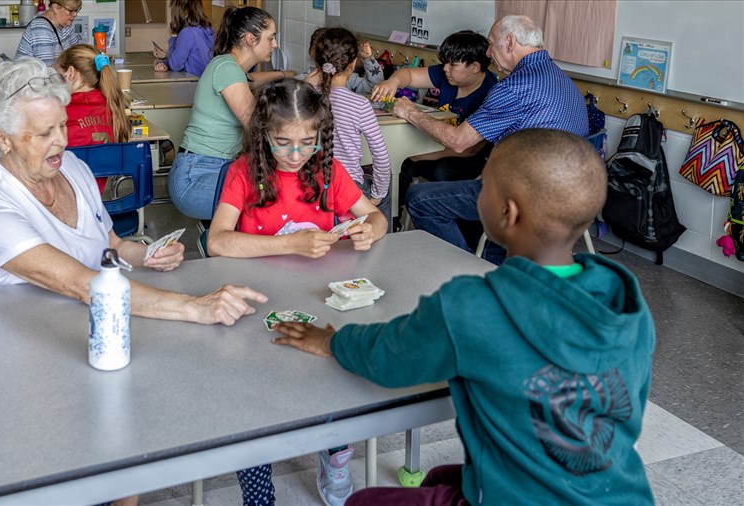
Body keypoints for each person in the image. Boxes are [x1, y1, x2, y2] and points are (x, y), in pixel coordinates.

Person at [273, 128, 656, 506]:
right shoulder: (623, 303)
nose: (477, 191)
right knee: (443, 478)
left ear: (507, 212)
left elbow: (388, 357)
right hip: (624, 495)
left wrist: (329, 340)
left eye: (482, 184)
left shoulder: (474, 306)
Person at [0, 58, 267, 331]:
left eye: (63, 126)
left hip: (79, 324)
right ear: (3, 139)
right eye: (44, 133)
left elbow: (112, 246)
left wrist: (147, 255)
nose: (61, 142)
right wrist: (193, 306)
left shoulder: (71, 167)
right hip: (11, 345)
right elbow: (79, 284)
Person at [207, 78, 386, 506]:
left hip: (320, 300)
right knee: (253, 400)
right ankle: (258, 488)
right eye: (283, 142)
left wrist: (368, 231)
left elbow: (375, 218)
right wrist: (290, 243)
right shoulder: (244, 172)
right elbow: (217, 241)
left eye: (307, 142)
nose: (295, 154)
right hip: (259, 303)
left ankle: (336, 450)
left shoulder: (329, 170)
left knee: (339, 377)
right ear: (264, 134)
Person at [381, 16, 587, 263]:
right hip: (573, 192)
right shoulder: (557, 76)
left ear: (509, 42)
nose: (488, 52)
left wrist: (410, 112)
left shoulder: (514, 86)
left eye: (491, 44)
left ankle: (471, 268)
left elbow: (459, 142)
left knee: (419, 199)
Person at [168, 6, 294, 221]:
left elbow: (252, 81)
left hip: (209, 169)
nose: (275, 44)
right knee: (276, 199)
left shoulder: (231, 67)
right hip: (196, 176)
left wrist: (286, 75)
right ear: (250, 39)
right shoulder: (227, 69)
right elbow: (256, 126)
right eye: (271, 38)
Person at [371, 30, 497, 226]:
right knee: (397, 165)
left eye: (453, 64)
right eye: (445, 63)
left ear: (475, 67)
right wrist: (392, 82)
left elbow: (468, 149)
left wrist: (418, 154)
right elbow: (409, 75)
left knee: (440, 171)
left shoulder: (490, 94)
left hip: (466, 157)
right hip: (435, 147)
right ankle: (391, 221)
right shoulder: (449, 75)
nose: (445, 68)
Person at [313, 27, 393, 232]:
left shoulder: (306, 97)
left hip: (311, 182)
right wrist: (376, 195)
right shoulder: (359, 105)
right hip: (348, 187)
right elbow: (382, 158)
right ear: (353, 64)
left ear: (317, 62)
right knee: (384, 190)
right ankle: (388, 248)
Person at [55, 43, 131, 147]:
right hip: (108, 162)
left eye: (60, 77)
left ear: (70, 73)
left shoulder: (61, 110)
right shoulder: (112, 103)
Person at [302, 29, 384, 95]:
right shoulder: (304, 80)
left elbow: (376, 87)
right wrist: (368, 59)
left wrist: (368, 59)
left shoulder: (351, 80)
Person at [153, 0, 215, 77]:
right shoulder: (208, 29)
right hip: (206, 83)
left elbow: (175, 65)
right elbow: (182, 58)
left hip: (194, 85)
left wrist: (173, 37)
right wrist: (164, 63)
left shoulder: (187, 33)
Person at [15, 0, 83, 66]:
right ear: (55, 8)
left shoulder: (65, 25)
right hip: (28, 76)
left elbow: (78, 52)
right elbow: (49, 70)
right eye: (71, 11)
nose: (75, 14)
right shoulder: (40, 27)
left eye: (76, 10)